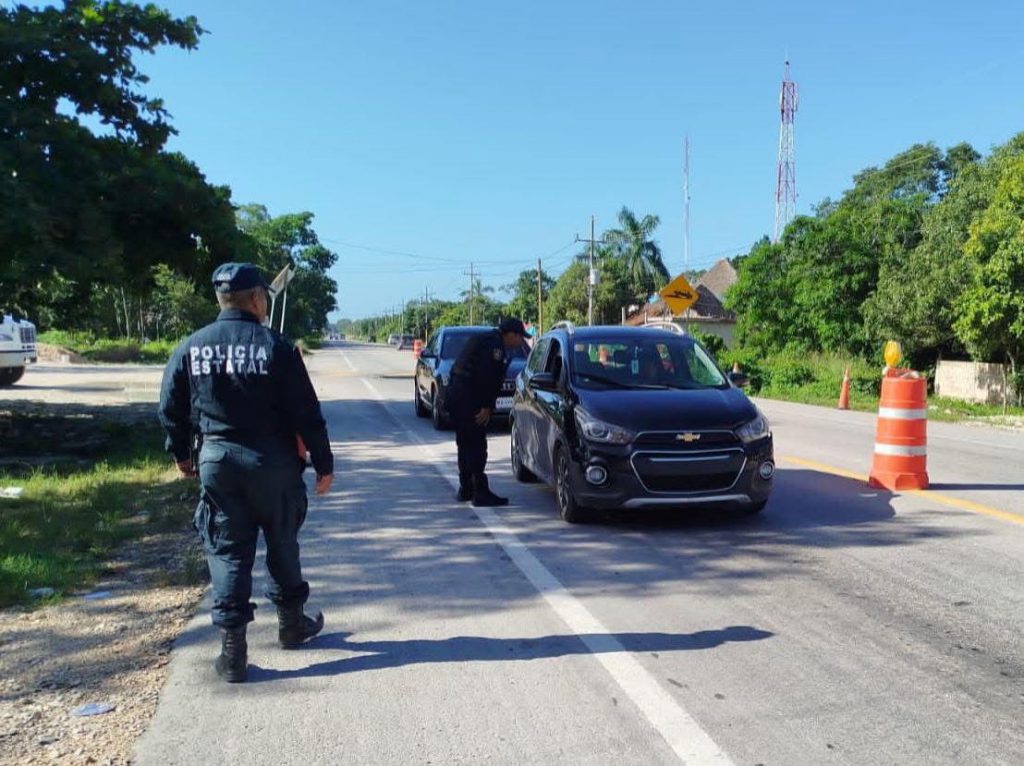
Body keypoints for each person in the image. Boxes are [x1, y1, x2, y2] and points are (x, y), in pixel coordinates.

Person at [158, 262, 334, 683]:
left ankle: (233, 651)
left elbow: (170, 408)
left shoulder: (191, 346)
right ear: (257, 298)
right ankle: (292, 625)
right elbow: (307, 413)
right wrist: (323, 464)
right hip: (272, 463)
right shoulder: (277, 347)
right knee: (282, 542)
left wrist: (181, 455)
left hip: (218, 462)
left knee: (228, 550)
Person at [446, 317, 528, 506]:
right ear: (511, 334)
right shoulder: (495, 347)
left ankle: (466, 489)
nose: (520, 341)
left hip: (458, 396)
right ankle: (479, 493)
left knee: (465, 444)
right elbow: (486, 377)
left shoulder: (485, 339)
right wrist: (486, 406)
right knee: (476, 446)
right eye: (519, 337)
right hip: (469, 399)